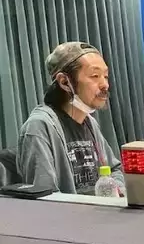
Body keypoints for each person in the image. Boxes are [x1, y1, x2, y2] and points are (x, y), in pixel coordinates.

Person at [17, 42, 125, 195]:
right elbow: (45, 197)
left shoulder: (89, 123)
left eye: (105, 76)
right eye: (95, 76)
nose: (105, 85)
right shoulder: (40, 127)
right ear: (64, 82)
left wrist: (115, 191)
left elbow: (114, 169)